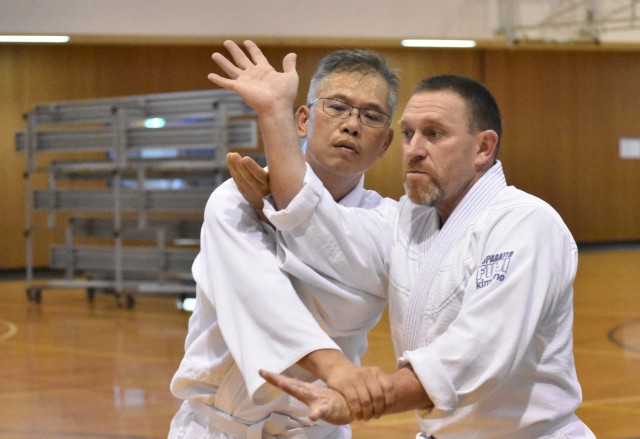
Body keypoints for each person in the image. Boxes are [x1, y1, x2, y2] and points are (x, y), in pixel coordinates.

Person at [212, 41, 596, 438]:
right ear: (304, 119)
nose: (414, 150)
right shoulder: (411, 221)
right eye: (410, 133)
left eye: (434, 134)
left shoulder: (525, 222)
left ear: (483, 148)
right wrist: (275, 138)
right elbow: (328, 235)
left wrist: (371, 394)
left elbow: (480, 349)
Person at [168, 40, 400, 439]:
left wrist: (276, 218)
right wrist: (337, 368)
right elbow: (262, 298)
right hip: (218, 428)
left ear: (386, 143)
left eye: (371, 116)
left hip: (317, 429)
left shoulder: (391, 220)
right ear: (302, 120)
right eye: (338, 106)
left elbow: (353, 310)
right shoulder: (235, 199)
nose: (352, 124)